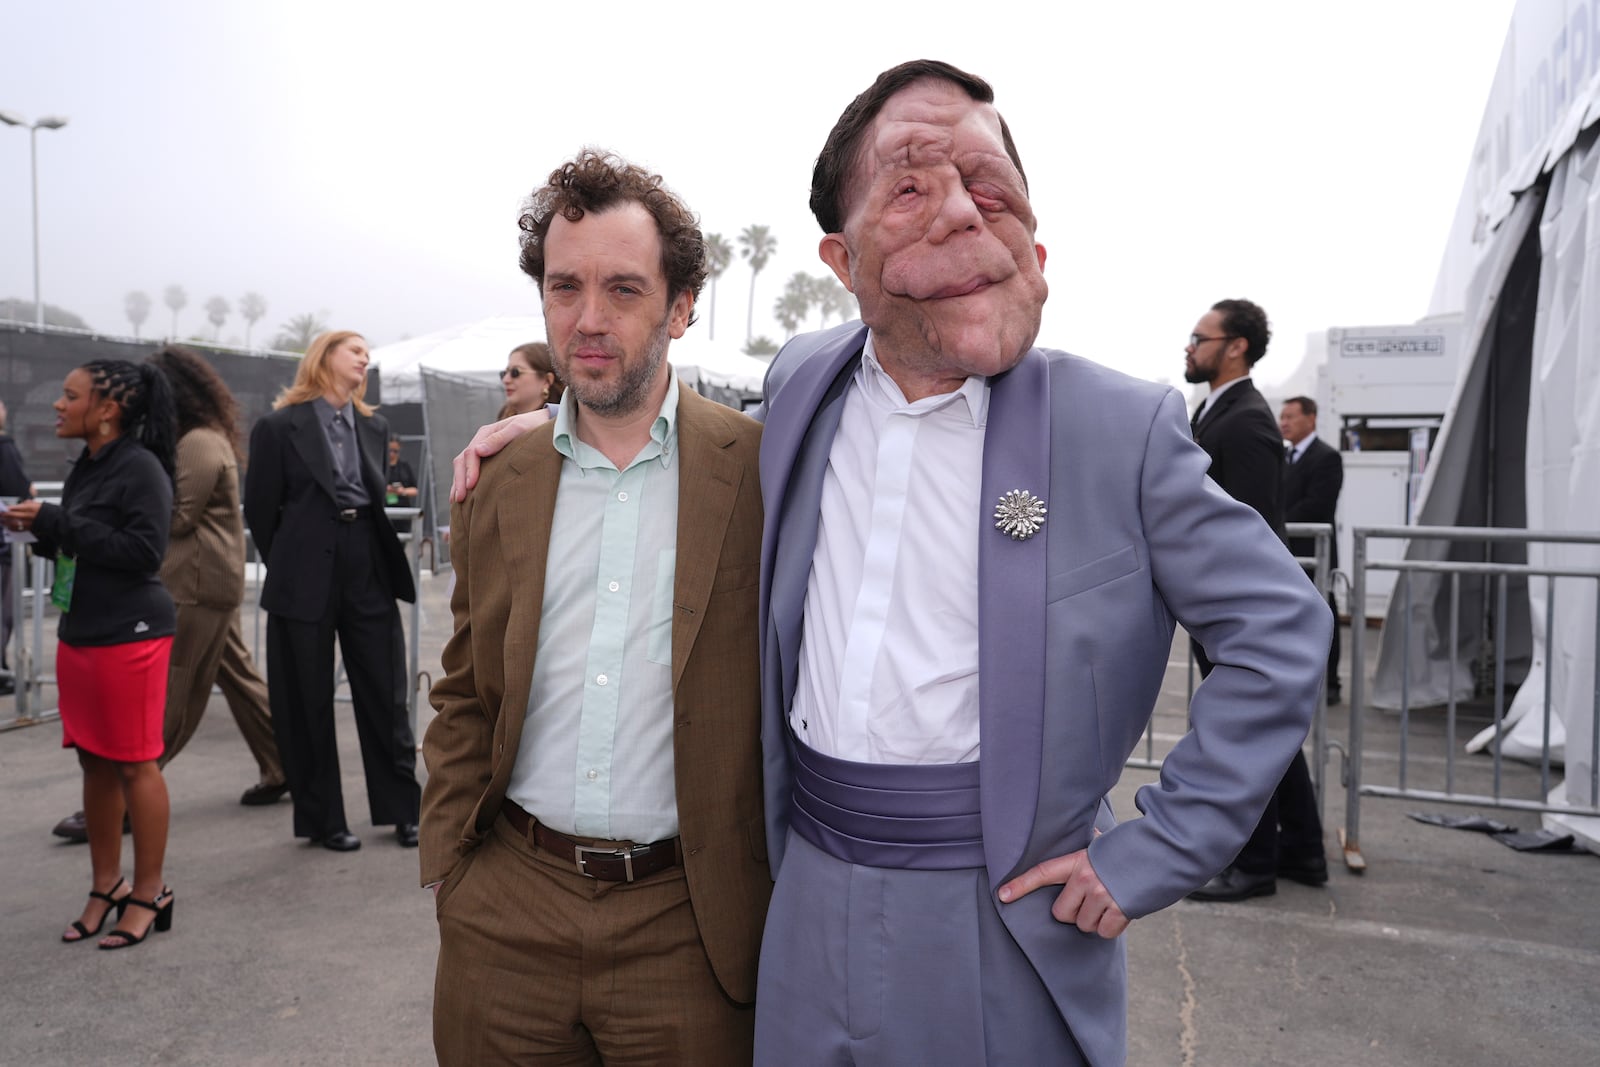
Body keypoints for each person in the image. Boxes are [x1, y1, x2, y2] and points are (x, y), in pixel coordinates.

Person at [451, 61, 1329, 1066]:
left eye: (987, 184)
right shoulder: (803, 381)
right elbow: (680, 437)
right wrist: (548, 430)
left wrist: (1155, 848)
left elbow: (1281, 628)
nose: (959, 213)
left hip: (994, 902)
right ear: (842, 254)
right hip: (805, 882)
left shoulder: (1113, 425)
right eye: (910, 186)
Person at [421, 150, 768, 1065]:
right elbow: (465, 683)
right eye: (563, 286)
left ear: (681, 304)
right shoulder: (501, 481)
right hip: (506, 910)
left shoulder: (766, 472)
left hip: (688, 928)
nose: (587, 318)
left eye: (623, 288)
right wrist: (452, 867)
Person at [6, 360, 180, 949]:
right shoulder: (90, 463)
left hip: (131, 635)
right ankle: (106, 886)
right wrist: (41, 529)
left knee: (135, 763)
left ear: (106, 410)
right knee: (95, 763)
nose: (58, 404)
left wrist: (56, 519)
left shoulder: (141, 467)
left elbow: (142, 551)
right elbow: (85, 543)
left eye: (69, 395)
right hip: (83, 631)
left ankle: (150, 891)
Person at [243, 330, 420, 852]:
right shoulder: (278, 427)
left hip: (366, 558)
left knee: (384, 690)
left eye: (368, 353)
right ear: (324, 358)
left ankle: (402, 810)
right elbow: (259, 510)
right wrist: (293, 563)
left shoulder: (374, 424)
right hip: (303, 570)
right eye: (355, 350)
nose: (365, 359)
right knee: (305, 698)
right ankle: (324, 820)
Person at [1183, 302, 1328, 904]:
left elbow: (1248, 531)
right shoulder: (1219, 410)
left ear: (1235, 347)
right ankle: (1303, 851)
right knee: (1266, 734)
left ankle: (1255, 866)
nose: (1189, 347)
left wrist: (1222, 610)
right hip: (1223, 606)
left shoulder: (1245, 422)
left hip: (1232, 609)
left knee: (1242, 735)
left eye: (1200, 338)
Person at [148, 345, 290, 800]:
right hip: (206, 583)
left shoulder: (198, 443)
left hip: (195, 586)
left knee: (177, 689)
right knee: (242, 681)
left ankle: (129, 789)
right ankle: (286, 767)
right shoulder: (206, 438)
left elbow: (177, 517)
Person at [1281, 395, 1344, 703]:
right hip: (1289, 552)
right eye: (1282, 417)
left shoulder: (1326, 457)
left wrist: (1276, 522)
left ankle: (1330, 683)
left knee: (1323, 615)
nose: (1284, 422)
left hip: (1315, 552)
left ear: (1311, 418)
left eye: (1291, 416)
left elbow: (1317, 505)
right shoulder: (1285, 457)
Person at [0, 397, 33, 694]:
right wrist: (28, 490)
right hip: (2, 546)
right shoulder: (5, 448)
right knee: (3, 610)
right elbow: (17, 488)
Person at [495, 341, 563, 420]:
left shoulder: (561, 423)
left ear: (547, 380)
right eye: (504, 373)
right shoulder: (503, 418)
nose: (505, 380)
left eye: (515, 372)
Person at [384, 435, 419, 534]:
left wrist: (402, 491)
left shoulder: (404, 467)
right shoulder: (380, 467)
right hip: (385, 510)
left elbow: (415, 490)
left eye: (395, 451)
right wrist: (386, 490)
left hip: (403, 512)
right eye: (390, 450)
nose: (392, 454)